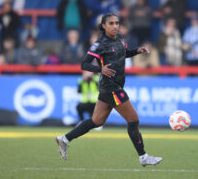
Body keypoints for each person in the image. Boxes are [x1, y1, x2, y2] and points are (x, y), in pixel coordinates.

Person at [56, 13, 163, 166]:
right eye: (111, 23)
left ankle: (64, 139)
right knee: (133, 120)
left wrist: (137, 51)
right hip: (111, 87)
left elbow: (123, 54)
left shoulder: (120, 39)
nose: (115, 26)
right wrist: (100, 69)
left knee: (96, 121)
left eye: (117, 23)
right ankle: (143, 156)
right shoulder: (100, 44)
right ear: (104, 26)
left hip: (112, 87)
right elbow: (84, 64)